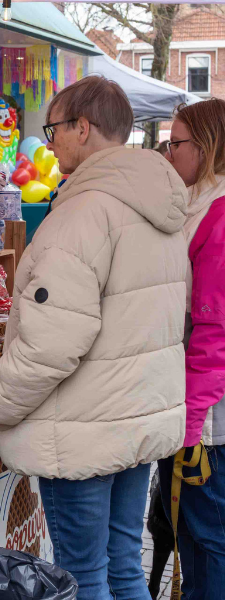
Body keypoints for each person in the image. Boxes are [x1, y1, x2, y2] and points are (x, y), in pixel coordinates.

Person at [0, 76, 188, 600]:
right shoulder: (157, 205)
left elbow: (54, 340)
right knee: (123, 568)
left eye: (52, 129)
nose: (48, 142)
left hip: (83, 430)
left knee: (85, 575)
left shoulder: (83, 212)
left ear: (83, 127)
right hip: (133, 417)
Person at [158, 98, 225, 600]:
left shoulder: (216, 216)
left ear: (205, 147)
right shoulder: (199, 205)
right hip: (198, 408)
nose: (168, 154)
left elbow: (214, 330)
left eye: (175, 144)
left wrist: (190, 424)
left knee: (206, 540)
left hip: (209, 417)